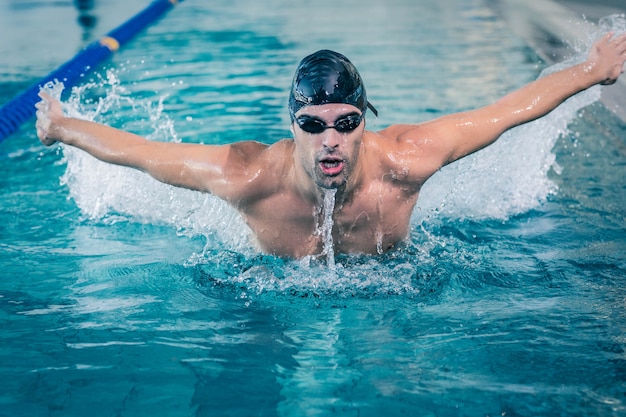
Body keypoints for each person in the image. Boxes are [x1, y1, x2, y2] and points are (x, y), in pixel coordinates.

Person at [36, 33, 626, 258]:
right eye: (313, 125)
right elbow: (140, 152)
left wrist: (593, 69)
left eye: (346, 121)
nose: (331, 140)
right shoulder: (246, 176)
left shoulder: (407, 158)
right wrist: (63, 126)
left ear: (364, 120)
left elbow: (507, 111)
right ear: (291, 124)